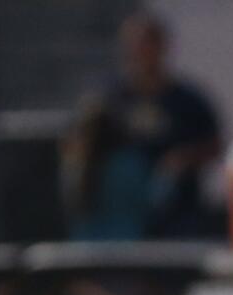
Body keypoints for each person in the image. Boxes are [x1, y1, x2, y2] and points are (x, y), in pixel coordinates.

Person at [62, 11, 220, 239]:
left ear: (163, 46)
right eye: (135, 44)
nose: (141, 51)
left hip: (178, 214)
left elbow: (214, 145)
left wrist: (183, 160)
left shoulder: (189, 100)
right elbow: (78, 142)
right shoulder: (109, 99)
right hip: (123, 216)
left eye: (148, 43)